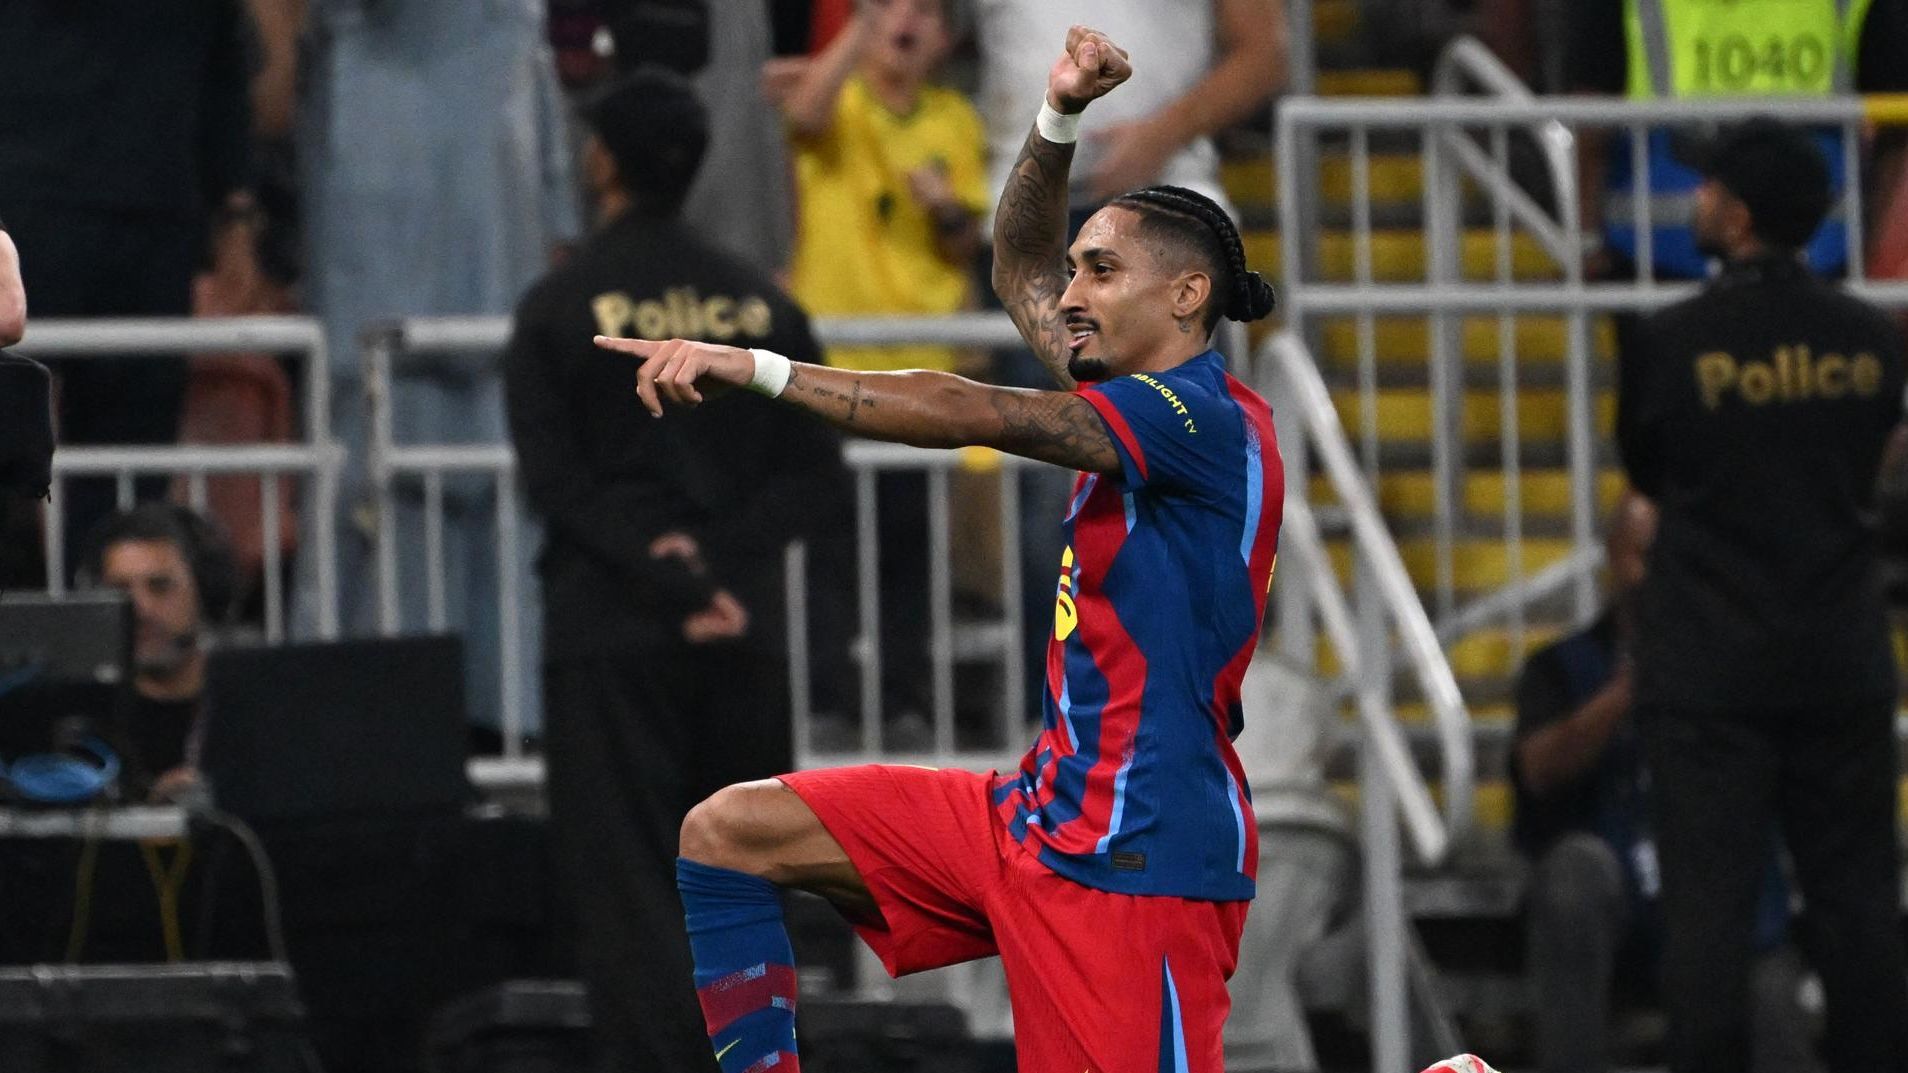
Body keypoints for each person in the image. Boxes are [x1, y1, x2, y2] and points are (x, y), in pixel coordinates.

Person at [594, 26, 1283, 1073]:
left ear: (1187, 296)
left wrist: (753, 365)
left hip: (1141, 858)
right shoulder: (1122, 398)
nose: (1077, 291)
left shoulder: (1203, 421)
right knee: (729, 831)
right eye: (1081, 269)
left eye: (1103, 270)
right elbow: (1015, 264)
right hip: (1037, 812)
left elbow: (963, 404)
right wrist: (1056, 118)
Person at [502, 69, 851, 1073]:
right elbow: (814, 478)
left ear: (601, 159)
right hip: (743, 633)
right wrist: (721, 575)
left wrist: (668, 575)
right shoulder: (764, 306)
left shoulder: (560, 305)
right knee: (742, 882)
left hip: (612, 634)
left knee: (628, 891)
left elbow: (558, 482)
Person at [1617, 117, 1908, 1073]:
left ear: (1736, 216)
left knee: (1709, 915)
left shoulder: (1671, 340)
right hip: (1841, 661)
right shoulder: (1870, 340)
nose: (1694, 199)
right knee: (1861, 912)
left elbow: (1648, 473)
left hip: (1710, 673)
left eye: (1708, 189)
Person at [1511, 492, 1817, 1073]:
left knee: (1774, 991)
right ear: (1614, 560)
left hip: (1718, 902)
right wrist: (1629, 691)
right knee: (1571, 872)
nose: (1661, 575)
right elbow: (1538, 769)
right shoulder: (1564, 666)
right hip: (1615, 902)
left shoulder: (1742, 665)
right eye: (1645, 556)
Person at [0, 1, 258, 564]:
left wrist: (235, 213)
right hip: (25, 216)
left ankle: (108, 635)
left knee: (128, 478)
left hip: (154, 225)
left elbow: (224, 61)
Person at [1565, 0, 1908, 281]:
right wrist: (1876, 254)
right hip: (1819, 248)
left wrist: (1587, 239)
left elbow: (1591, 120)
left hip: (1657, 252)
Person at [975, 0, 1286, 214]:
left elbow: (1264, 55)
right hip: (1019, 207)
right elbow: (931, 30)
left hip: (1168, 200)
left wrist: (1161, 136)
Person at [77, 504, 239, 803]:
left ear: (206, 591)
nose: (141, 609)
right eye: (119, 590)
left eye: (160, 586)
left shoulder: (248, 705)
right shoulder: (81, 720)